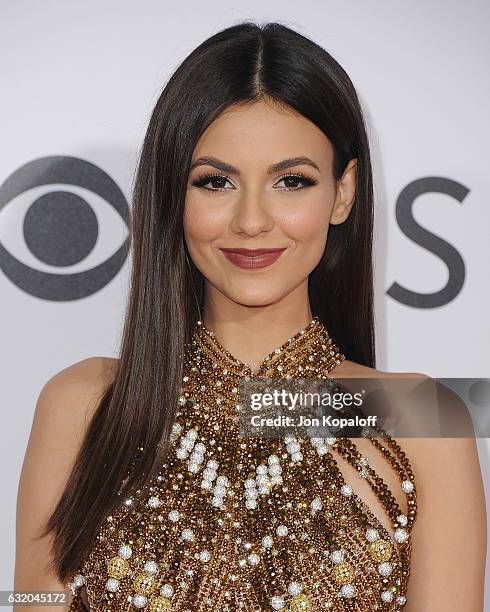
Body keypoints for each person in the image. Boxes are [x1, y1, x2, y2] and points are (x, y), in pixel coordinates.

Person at [14, 21, 486, 612]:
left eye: (292, 181)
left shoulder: (420, 416)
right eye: (216, 182)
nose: (252, 220)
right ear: (172, 194)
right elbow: (34, 596)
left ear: (343, 192)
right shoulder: (81, 403)